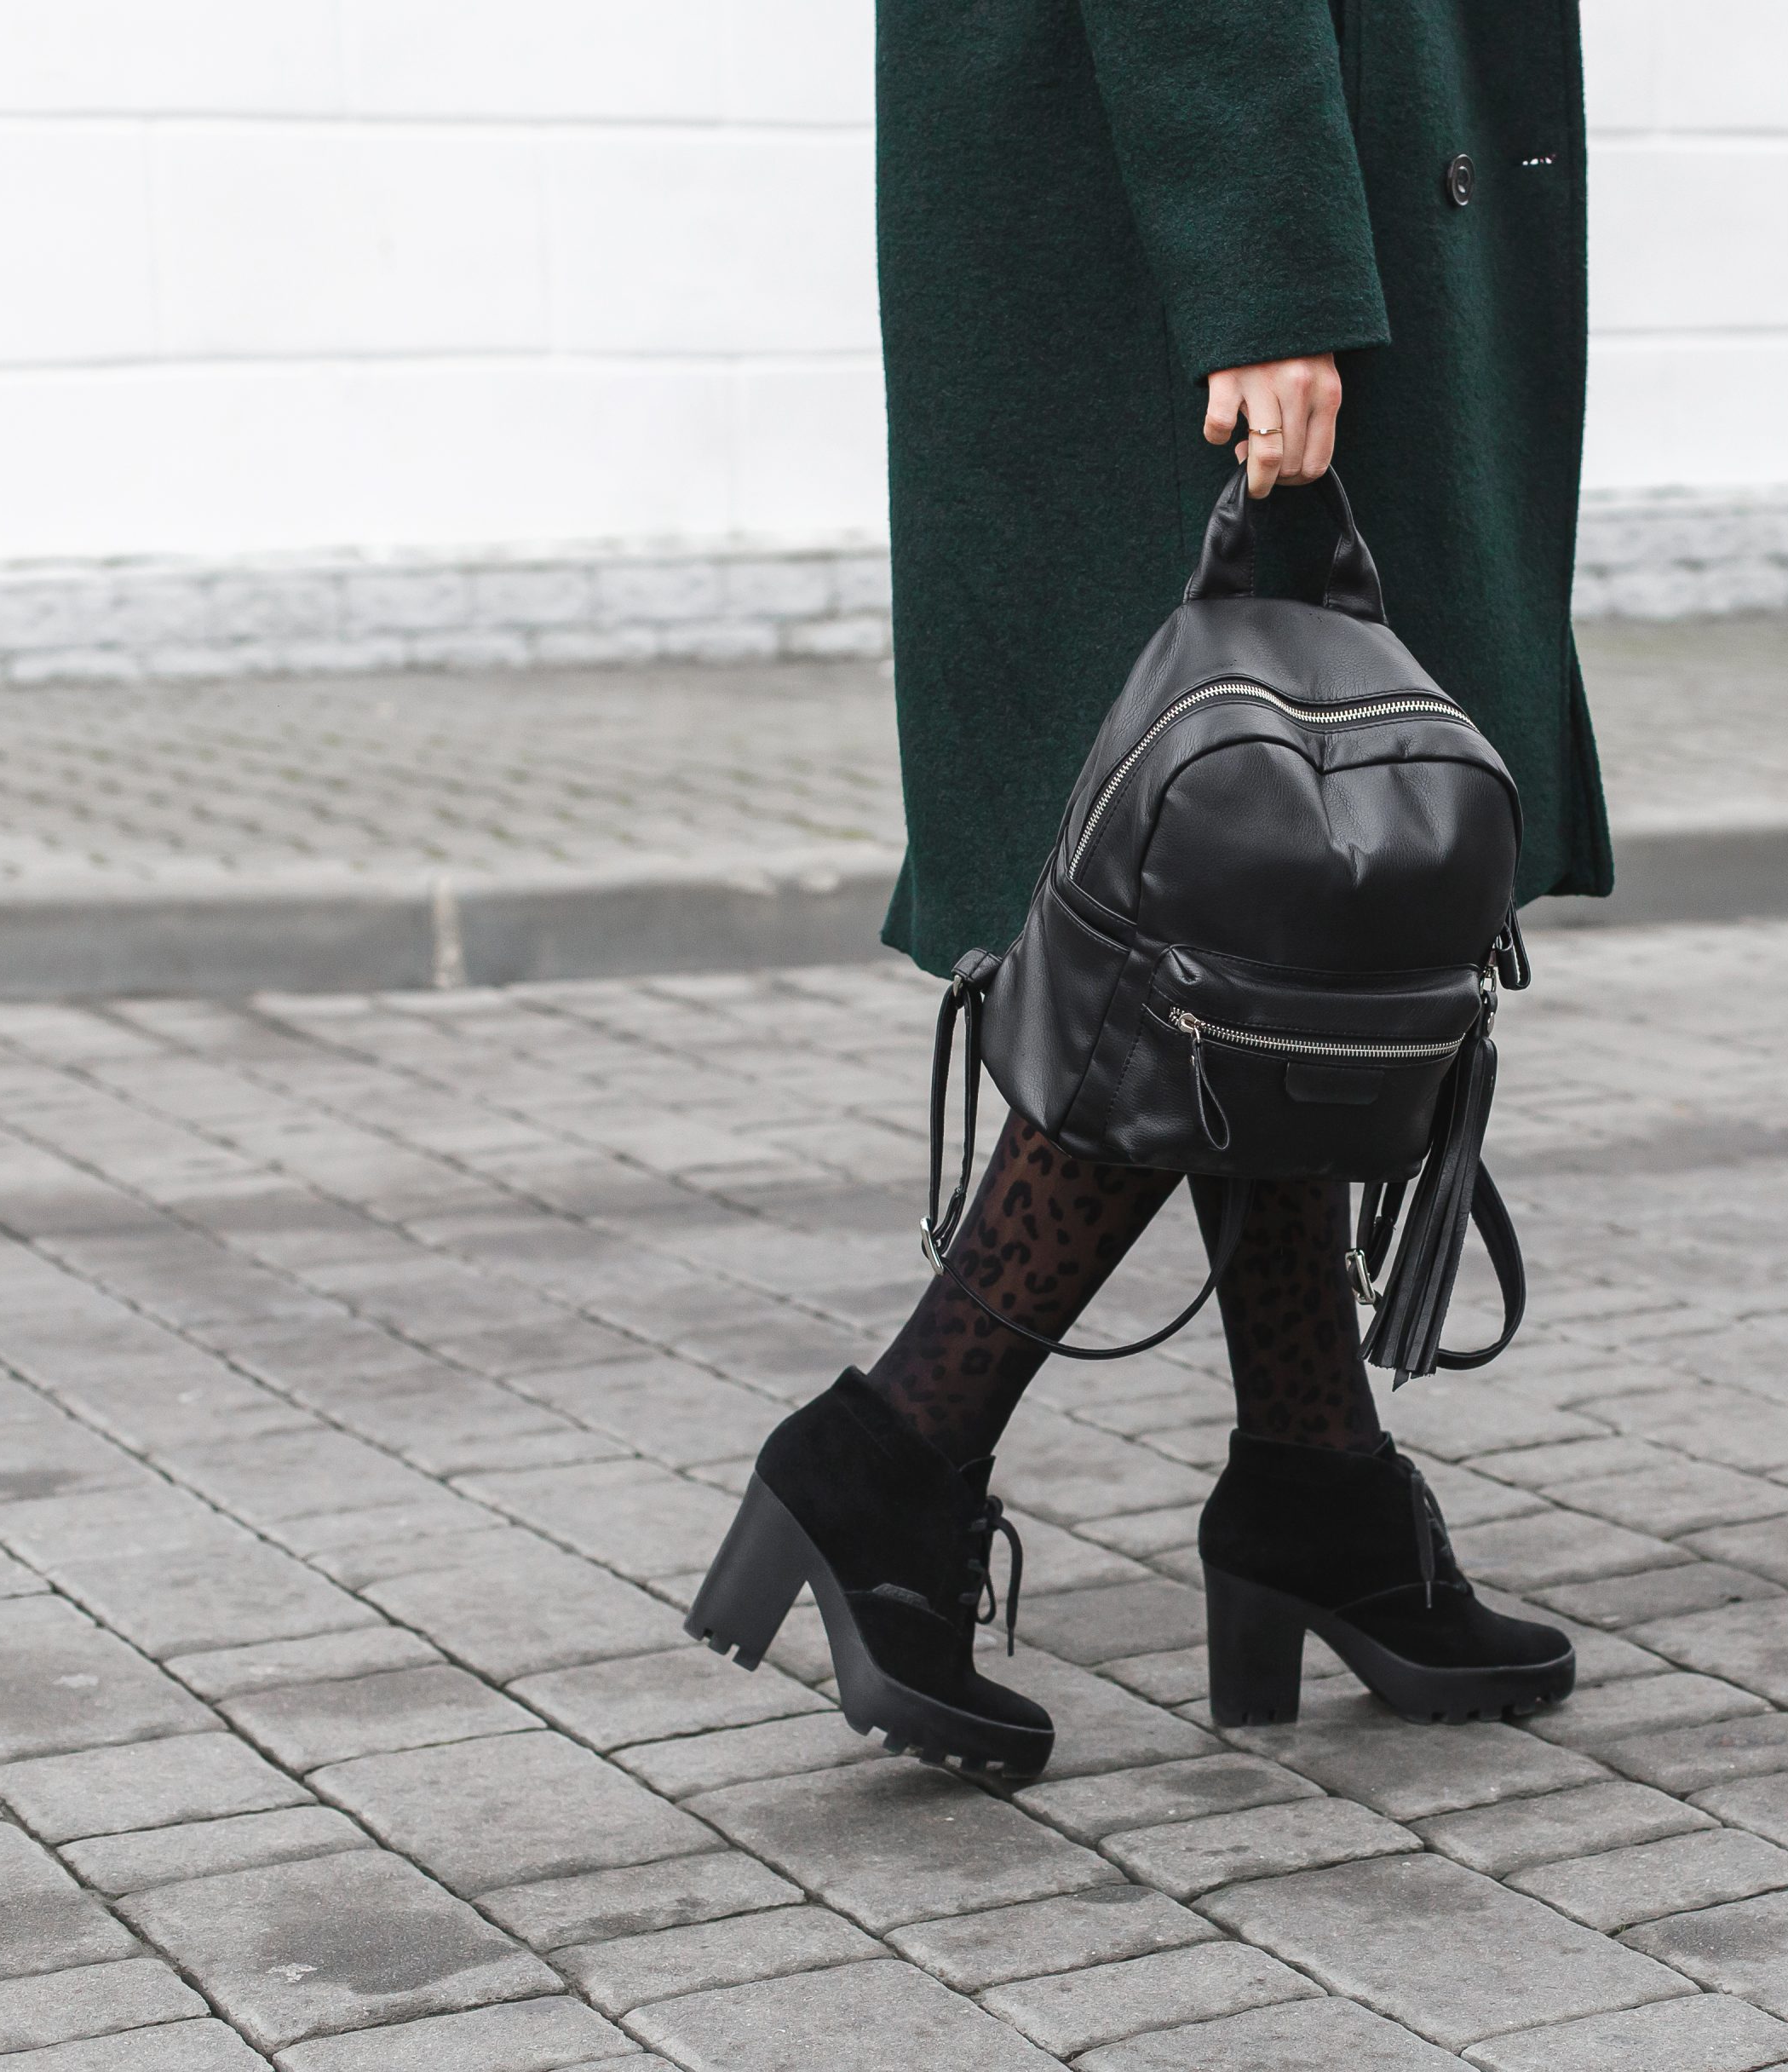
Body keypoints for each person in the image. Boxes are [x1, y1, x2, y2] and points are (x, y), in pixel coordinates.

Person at [693, 0, 1614, 1777]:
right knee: (1217, 885)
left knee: (1262, 910)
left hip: (1224, 178)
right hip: (1188, 210)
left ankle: (1315, 1477)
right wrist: (1262, 267)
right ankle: (887, 1453)